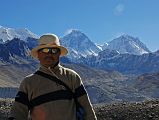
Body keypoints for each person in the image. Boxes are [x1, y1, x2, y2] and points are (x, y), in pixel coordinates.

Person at [9, 34, 97, 120]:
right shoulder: (28, 83)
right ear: (38, 55)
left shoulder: (72, 77)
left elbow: (86, 108)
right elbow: (18, 112)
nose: (49, 54)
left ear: (59, 54)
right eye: (45, 50)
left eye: (54, 51)